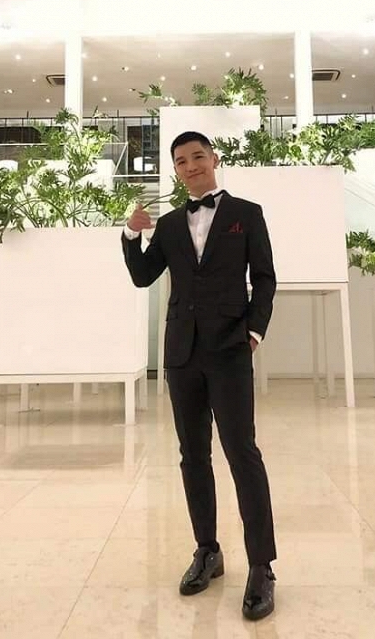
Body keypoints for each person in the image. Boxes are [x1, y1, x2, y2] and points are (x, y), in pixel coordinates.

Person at [121, 130, 277, 621]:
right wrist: (131, 235)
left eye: (197, 157)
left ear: (214, 159)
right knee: (193, 456)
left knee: (242, 454)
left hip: (230, 349)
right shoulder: (169, 224)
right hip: (182, 354)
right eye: (181, 161)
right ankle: (207, 550)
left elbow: (265, 277)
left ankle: (261, 567)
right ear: (175, 169)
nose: (190, 166)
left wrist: (254, 332)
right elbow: (143, 276)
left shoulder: (246, 214)